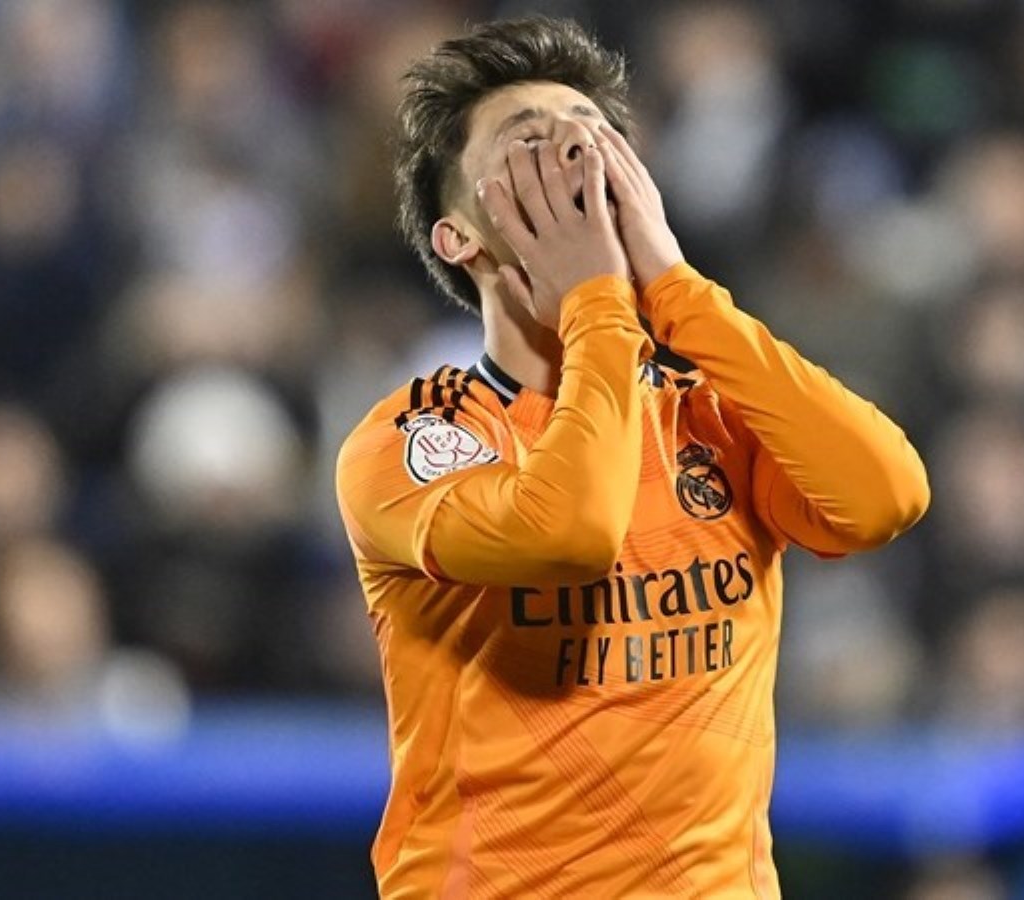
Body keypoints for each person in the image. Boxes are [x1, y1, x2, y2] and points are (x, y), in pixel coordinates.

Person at [335, 16, 929, 897]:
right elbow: (570, 531)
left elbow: (885, 497)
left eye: (593, 136)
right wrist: (600, 302)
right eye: (528, 144)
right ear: (458, 236)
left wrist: (677, 288)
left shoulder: (709, 410)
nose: (573, 158)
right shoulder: (412, 440)